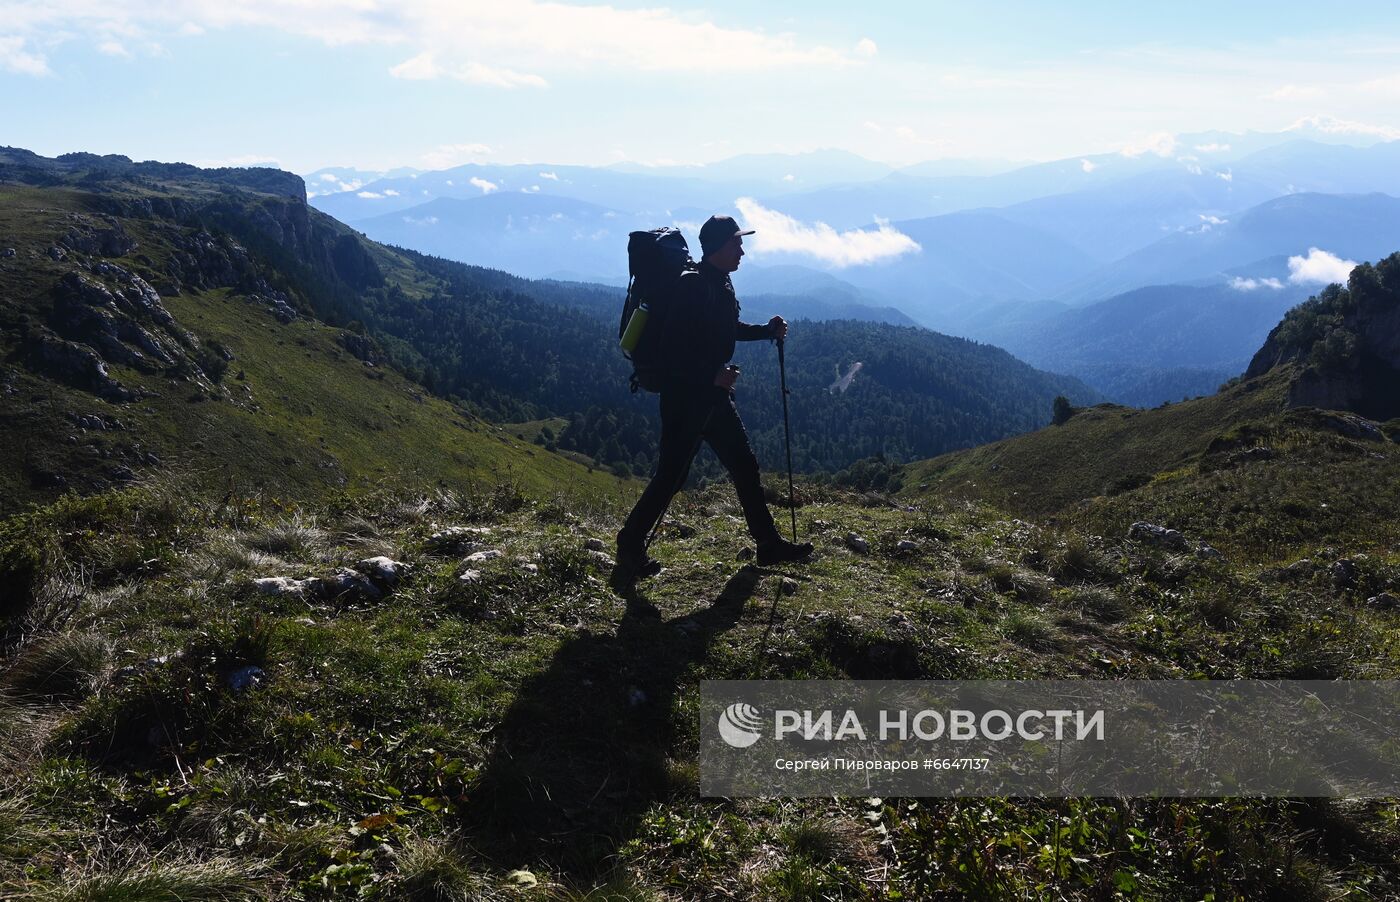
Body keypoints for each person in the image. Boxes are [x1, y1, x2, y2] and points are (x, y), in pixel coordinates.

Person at [614, 214, 814, 585]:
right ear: (717, 247)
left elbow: (725, 329)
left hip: (711, 395)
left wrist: (765, 332)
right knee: (671, 477)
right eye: (736, 243)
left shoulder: (717, 282)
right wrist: (711, 375)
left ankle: (768, 544)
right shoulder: (693, 286)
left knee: (743, 464)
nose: (742, 250)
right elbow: (672, 349)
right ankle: (629, 544)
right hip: (687, 397)